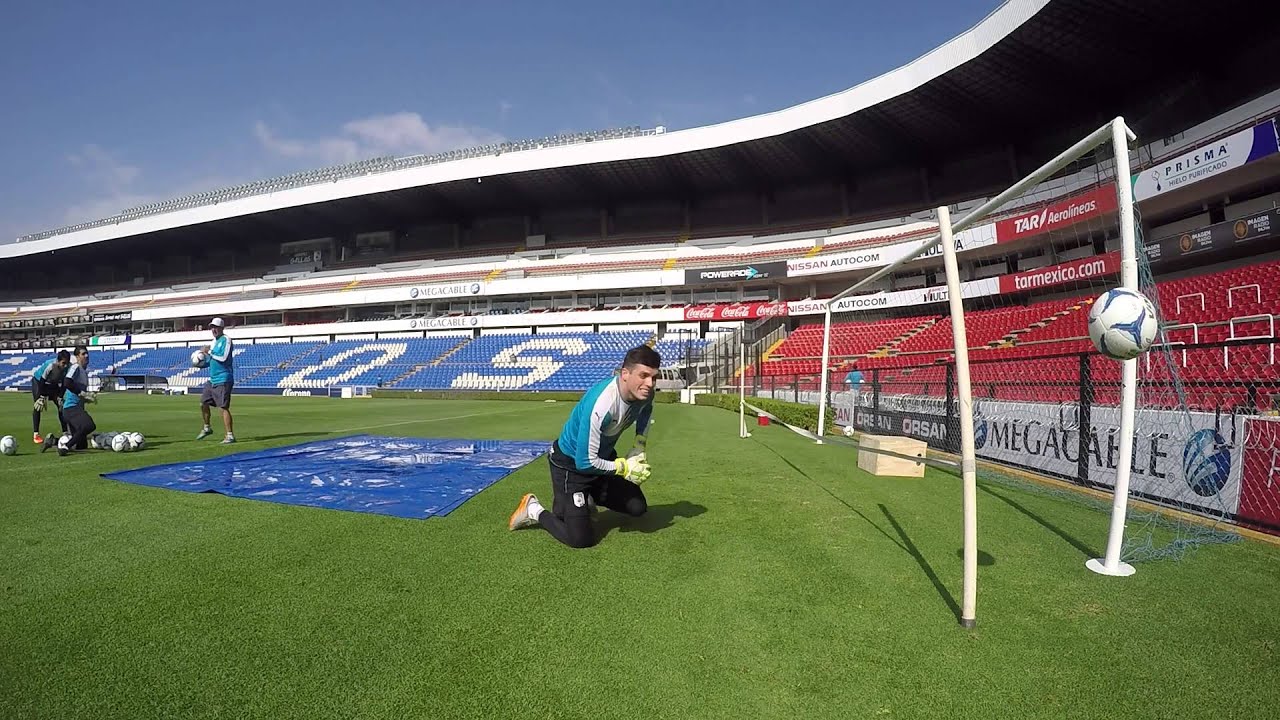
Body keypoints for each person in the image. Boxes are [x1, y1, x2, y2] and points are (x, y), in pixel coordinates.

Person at [508, 345, 660, 548]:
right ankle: (534, 509)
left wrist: (639, 445)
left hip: (601, 460)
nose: (649, 383)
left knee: (637, 507)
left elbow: (646, 411)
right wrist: (624, 467)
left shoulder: (646, 394)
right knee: (580, 540)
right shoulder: (602, 404)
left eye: (654, 377)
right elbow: (585, 462)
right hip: (570, 466)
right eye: (643, 376)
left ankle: (587, 497)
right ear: (625, 374)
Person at [41, 346, 96, 456]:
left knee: (81, 445)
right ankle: (65, 447)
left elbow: (74, 390)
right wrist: (82, 393)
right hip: (71, 408)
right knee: (89, 425)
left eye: (87, 353)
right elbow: (67, 382)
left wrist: (86, 398)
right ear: (77, 357)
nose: (86, 356)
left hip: (74, 408)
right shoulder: (76, 367)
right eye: (83, 354)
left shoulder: (84, 372)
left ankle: (53, 441)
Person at [196, 317, 236, 443]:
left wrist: (209, 351)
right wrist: (200, 363)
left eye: (216, 327)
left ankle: (230, 435)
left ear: (222, 328)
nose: (213, 330)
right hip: (213, 379)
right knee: (203, 403)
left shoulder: (226, 340)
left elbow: (223, 357)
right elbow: (211, 361)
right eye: (212, 327)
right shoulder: (213, 342)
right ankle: (207, 427)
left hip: (223, 378)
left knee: (223, 407)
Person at [30, 349, 71, 444]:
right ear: (58, 361)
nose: (65, 366)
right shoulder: (51, 366)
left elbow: (65, 383)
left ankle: (65, 432)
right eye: (63, 363)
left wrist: (60, 396)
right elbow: (42, 381)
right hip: (39, 382)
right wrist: (41, 396)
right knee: (38, 406)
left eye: (67, 363)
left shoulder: (68, 367)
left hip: (53, 384)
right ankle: (36, 434)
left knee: (61, 406)